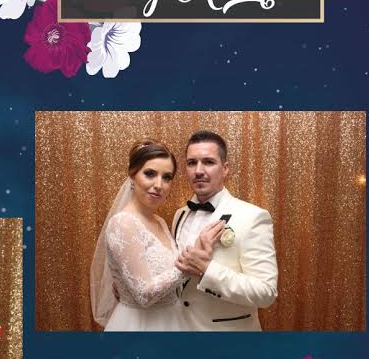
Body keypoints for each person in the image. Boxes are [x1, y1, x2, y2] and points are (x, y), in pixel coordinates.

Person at [90, 140, 226, 331]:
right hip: (140, 326)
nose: (159, 185)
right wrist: (191, 263)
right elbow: (143, 296)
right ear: (132, 175)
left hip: (173, 320)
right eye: (150, 174)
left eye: (167, 177)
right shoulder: (123, 223)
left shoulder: (160, 222)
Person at [171, 130, 279, 331]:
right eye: (192, 163)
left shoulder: (253, 217)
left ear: (225, 168)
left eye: (208, 162)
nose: (198, 170)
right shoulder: (180, 215)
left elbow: (266, 293)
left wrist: (207, 269)